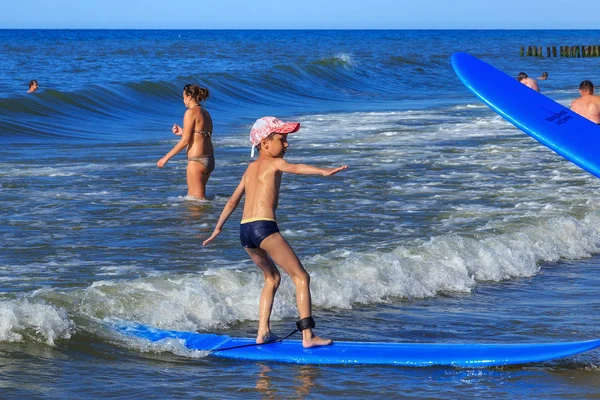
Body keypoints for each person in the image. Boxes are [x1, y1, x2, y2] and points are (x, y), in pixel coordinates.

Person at [203, 116, 348, 348]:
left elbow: (232, 201)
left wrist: (218, 228)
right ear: (264, 143)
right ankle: (308, 336)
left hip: (245, 231)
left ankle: (262, 332)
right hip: (264, 227)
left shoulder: (249, 169)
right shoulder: (274, 163)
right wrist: (323, 171)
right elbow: (296, 168)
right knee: (301, 277)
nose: (287, 144)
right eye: (282, 139)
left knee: (271, 278)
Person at [157, 84, 214, 199]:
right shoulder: (205, 113)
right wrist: (183, 132)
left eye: (183, 97)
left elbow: (185, 141)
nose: (183, 100)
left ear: (189, 96)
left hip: (197, 160)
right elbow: (201, 135)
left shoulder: (190, 113)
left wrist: (165, 158)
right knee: (200, 200)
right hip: (209, 159)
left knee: (196, 202)